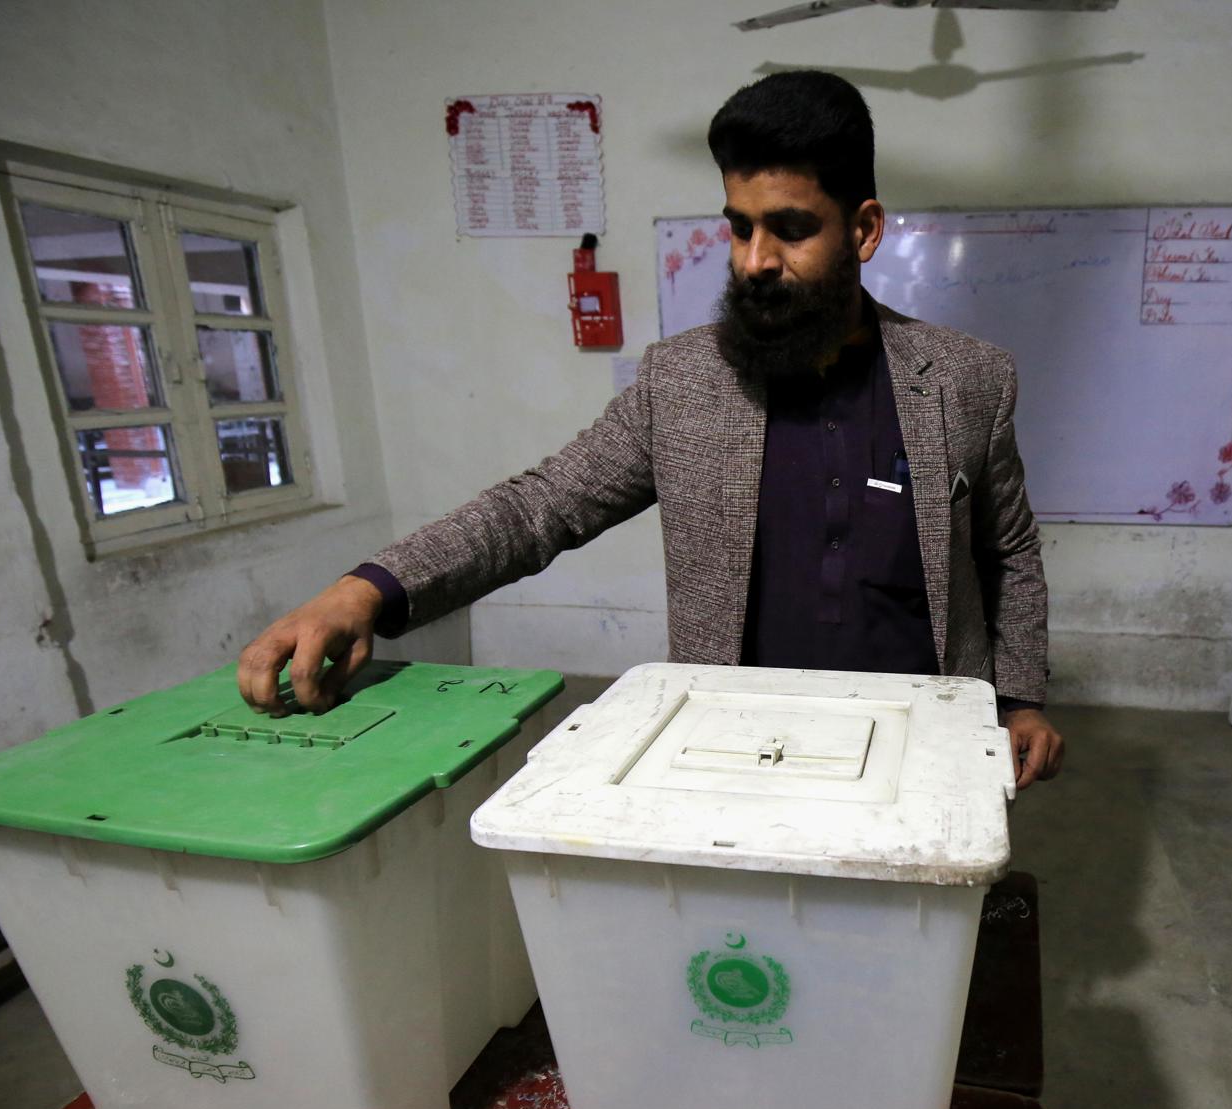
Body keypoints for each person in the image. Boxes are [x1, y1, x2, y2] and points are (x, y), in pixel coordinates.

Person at [239, 71, 1065, 787]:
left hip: (922, 743)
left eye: (792, 228)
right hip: (737, 746)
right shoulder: (682, 382)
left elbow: (1009, 552)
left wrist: (1021, 698)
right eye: (740, 226)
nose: (755, 260)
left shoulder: (966, 380)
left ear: (864, 229)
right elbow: (542, 506)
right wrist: (364, 589)